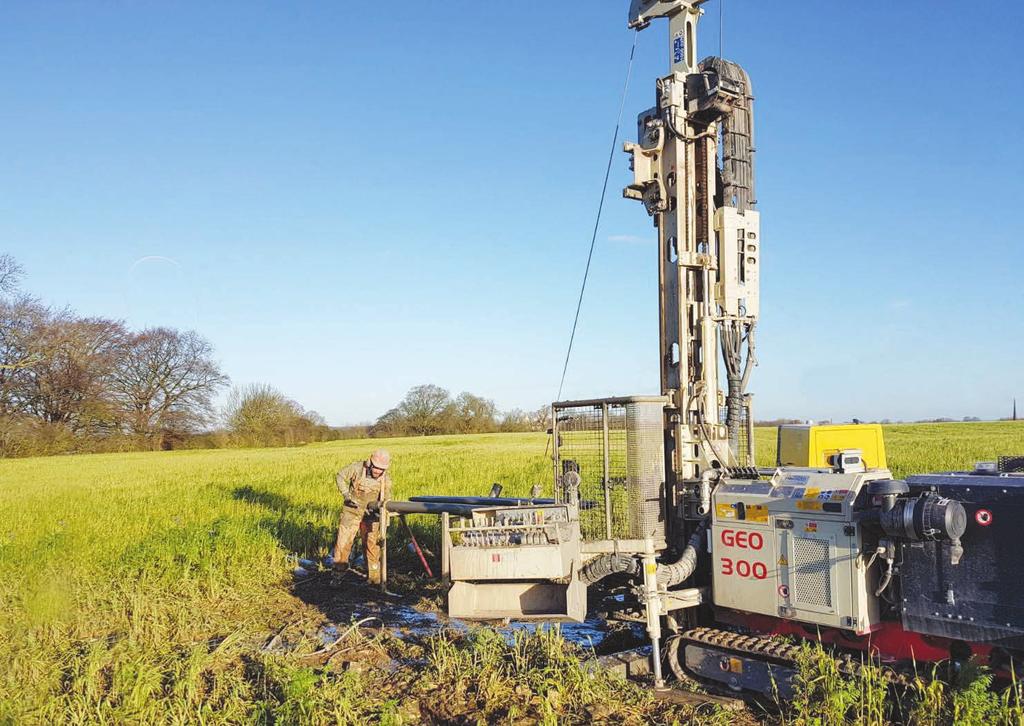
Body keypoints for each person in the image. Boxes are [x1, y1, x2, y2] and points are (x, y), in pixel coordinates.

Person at [332, 449, 392, 584]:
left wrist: (383, 516)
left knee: (372, 545)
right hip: (351, 511)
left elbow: (387, 500)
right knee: (343, 543)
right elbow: (340, 476)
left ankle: (374, 577)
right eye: (376, 467)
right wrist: (346, 495)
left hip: (371, 515)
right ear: (370, 463)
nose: (377, 471)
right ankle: (337, 575)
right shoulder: (357, 468)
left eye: (381, 469)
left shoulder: (386, 480)